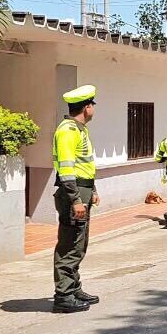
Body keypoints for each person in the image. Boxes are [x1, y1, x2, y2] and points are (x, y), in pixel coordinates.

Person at [52, 85, 100, 313]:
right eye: (92, 105)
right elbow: (66, 170)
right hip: (74, 192)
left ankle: (73, 288)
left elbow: (85, 165)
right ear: (87, 107)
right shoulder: (68, 131)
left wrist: (94, 189)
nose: (94, 109)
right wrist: (76, 200)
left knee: (80, 243)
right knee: (70, 244)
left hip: (83, 189)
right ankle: (63, 295)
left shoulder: (80, 130)